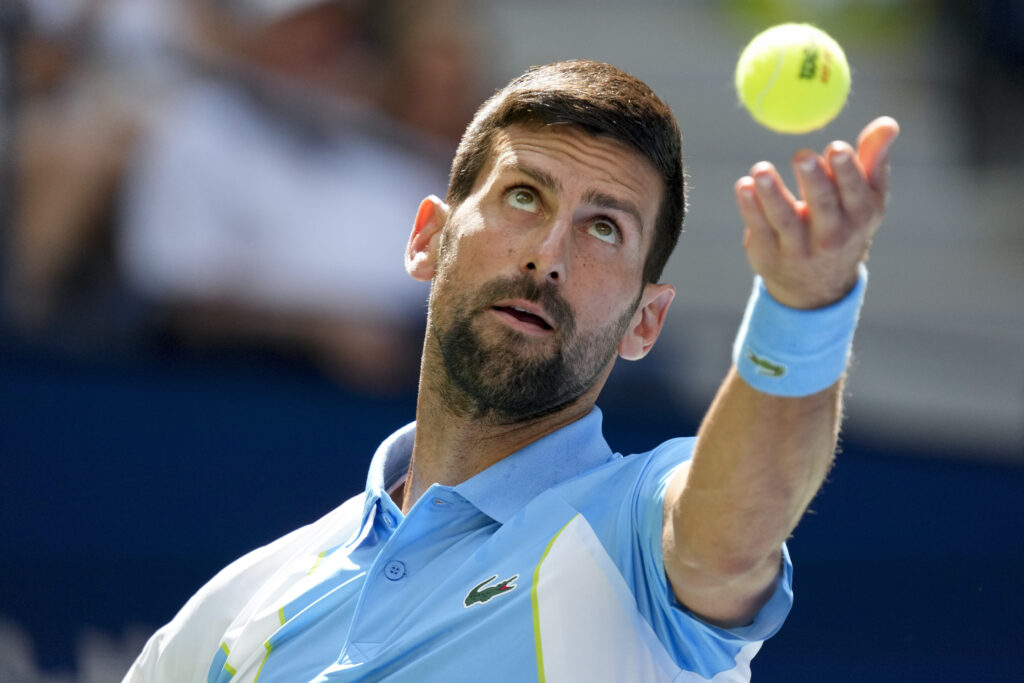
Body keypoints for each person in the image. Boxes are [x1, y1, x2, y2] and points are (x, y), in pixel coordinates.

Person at [124, 60, 899, 681]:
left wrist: (805, 309)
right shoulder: (235, 609)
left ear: (646, 321)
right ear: (428, 238)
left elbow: (731, 534)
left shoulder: (637, 532)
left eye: (603, 227)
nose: (548, 256)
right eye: (523, 196)